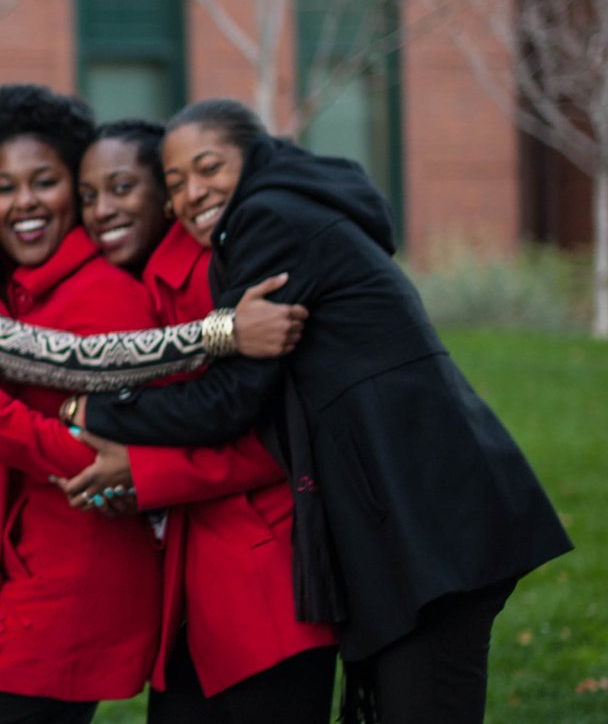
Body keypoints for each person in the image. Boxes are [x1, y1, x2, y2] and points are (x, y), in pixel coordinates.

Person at [62, 98, 574, 724]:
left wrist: (95, 412)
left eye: (209, 168)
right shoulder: (287, 211)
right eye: (177, 183)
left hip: (432, 522)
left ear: (253, 156)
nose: (193, 193)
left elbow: (229, 401)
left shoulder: (268, 220)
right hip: (402, 523)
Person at [0, 99, 299, 724]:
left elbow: (88, 385)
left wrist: (223, 331)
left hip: (59, 591)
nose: (16, 203)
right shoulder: (15, 281)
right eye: (1, 187)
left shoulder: (100, 293)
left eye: (45, 182)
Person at [0, 118, 337, 723]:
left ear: (163, 197)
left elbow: (273, 439)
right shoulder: (141, 279)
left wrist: (137, 469)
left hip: (260, 583)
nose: (102, 211)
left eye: (124, 189)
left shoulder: (219, 274)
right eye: (90, 195)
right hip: (191, 589)